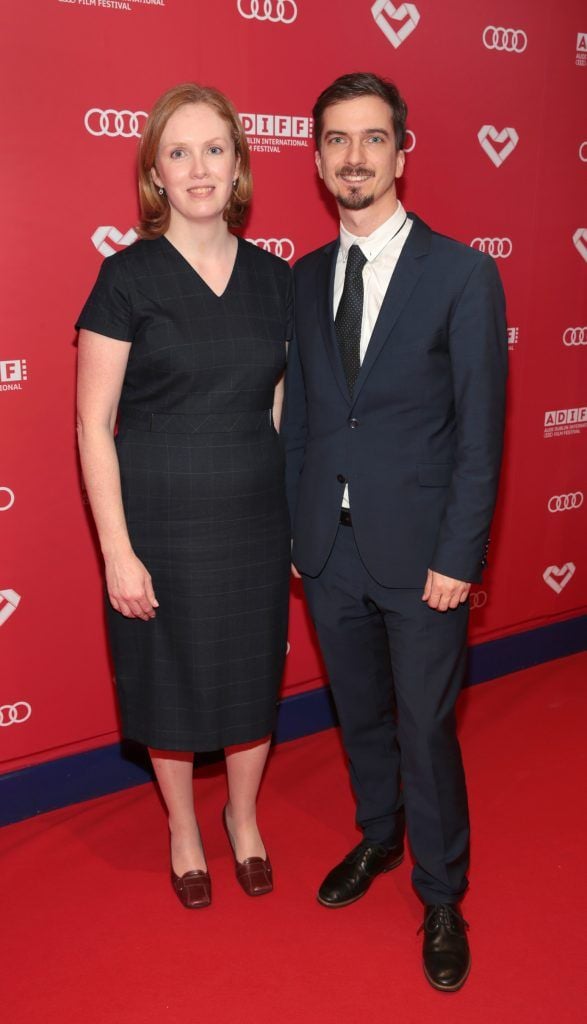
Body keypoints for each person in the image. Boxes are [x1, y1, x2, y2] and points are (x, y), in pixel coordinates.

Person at [281, 72, 507, 990]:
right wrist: (300, 535)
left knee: (425, 726)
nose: (354, 157)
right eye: (336, 141)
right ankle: (378, 836)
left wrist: (459, 556)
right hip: (328, 552)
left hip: (422, 559)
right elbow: (302, 421)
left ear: (401, 152)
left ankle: (441, 892)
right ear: (319, 158)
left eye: (372, 139)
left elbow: (481, 432)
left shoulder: (461, 273)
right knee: (359, 716)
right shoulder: (303, 277)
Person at [76, 83, 292, 909]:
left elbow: (277, 410)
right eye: (178, 152)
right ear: (155, 173)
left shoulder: (277, 280)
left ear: (237, 162)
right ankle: (182, 827)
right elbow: (95, 426)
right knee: (164, 678)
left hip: (253, 517)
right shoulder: (125, 278)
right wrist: (118, 552)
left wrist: (294, 520)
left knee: (246, 678)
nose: (198, 168)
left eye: (213, 149)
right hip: (159, 518)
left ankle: (241, 817)